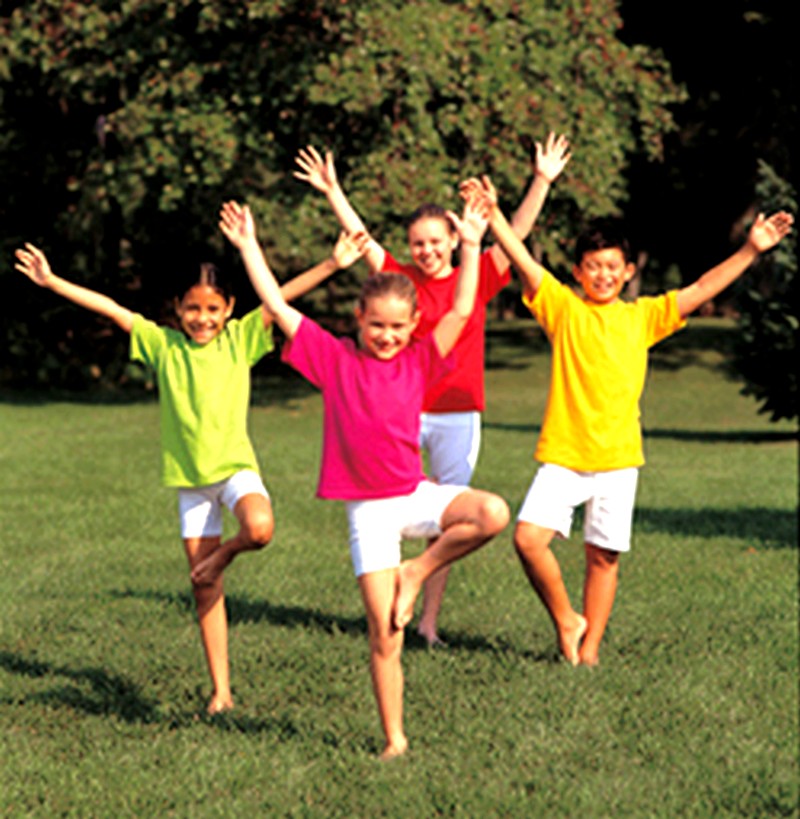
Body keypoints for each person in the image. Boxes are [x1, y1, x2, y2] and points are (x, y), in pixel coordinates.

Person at [14, 231, 369, 714]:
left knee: (260, 530)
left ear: (229, 309)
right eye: (193, 309)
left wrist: (332, 263)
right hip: (191, 485)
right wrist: (53, 282)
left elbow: (279, 297)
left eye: (213, 309)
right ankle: (221, 690)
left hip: (234, 470)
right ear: (177, 309)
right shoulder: (163, 346)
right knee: (204, 590)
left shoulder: (242, 339)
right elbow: (113, 310)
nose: (203, 319)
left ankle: (221, 557)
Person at [219, 196, 509, 759]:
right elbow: (276, 305)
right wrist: (249, 246)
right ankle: (394, 740)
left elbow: (461, 310)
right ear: (359, 321)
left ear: (412, 326)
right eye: (377, 325)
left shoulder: (419, 359)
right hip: (368, 511)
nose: (387, 335)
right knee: (385, 634)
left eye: (398, 327)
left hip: (413, 495)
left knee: (492, 512)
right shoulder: (334, 359)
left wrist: (471, 243)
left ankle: (416, 571)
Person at [467, 176, 793, 667]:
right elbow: (525, 263)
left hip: (619, 461)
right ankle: (566, 620)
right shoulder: (563, 310)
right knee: (528, 539)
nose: (602, 275)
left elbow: (703, 287)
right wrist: (493, 216)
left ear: (627, 272)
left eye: (612, 267)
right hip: (564, 455)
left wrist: (751, 248)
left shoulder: (643, 317)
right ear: (579, 272)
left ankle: (589, 651)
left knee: (604, 557)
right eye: (593, 267)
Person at [293, 132, 571, 646]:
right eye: (418, 242)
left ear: (452, 239)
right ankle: (388, 601)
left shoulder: (477, 274)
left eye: (435, 241)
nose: (426, 251)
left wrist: (540, 182)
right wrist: (333, 191)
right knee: (396, 504)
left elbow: (516, 237)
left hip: (458, 413)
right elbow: (360, 239)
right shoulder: (398, 279)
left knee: (448, 521)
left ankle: (427, 621)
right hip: (404, 412)